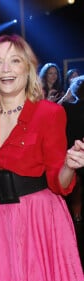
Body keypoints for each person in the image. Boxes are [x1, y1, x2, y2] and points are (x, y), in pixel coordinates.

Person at [0, 34, 84, 281]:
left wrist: (70, 164)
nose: (6, 69)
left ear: (28, 68)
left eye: (14, 61)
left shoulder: (49, 113)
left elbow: (59, 180)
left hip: (39, 220)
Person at [62, 75, 84, 222]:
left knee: (76, 186)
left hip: (72, 151)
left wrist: (65, 96)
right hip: (77, 150)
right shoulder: (68, 108)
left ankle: (76, 215)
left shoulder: (67, 108)